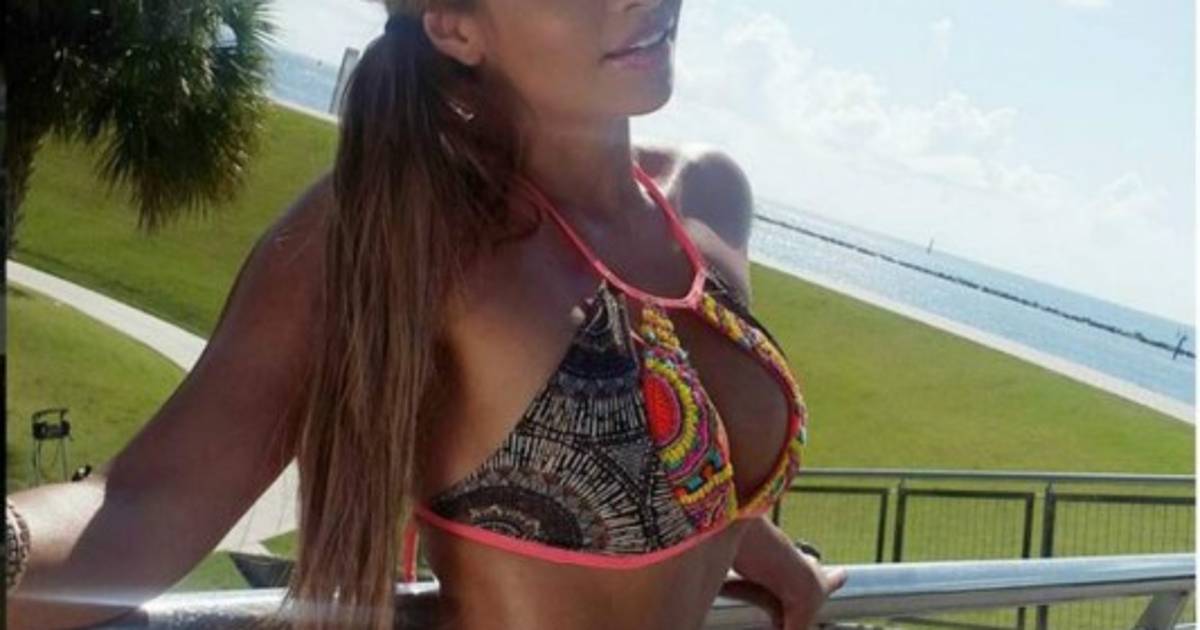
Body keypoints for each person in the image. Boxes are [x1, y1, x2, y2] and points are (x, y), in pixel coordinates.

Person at [5, 0, 849, 628]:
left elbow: (676, 454)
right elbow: (140, 503)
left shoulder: (708, 196)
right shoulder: (403, 226)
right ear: (455, 27)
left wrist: (759, 544)